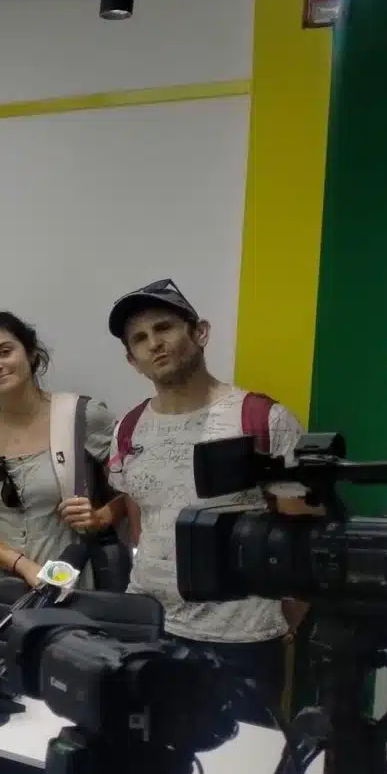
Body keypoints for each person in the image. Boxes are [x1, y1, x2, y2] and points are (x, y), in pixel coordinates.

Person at [104, 279, 304, 726]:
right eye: (140, 338)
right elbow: (141, 518)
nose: (154, 343)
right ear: (132, 359)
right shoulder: (128, 428)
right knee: (148, 754)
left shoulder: (260, 420)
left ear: (200, 332)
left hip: (239, 639)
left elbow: (302, 532)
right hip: (148, 630)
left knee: (241, 762)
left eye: (164, 327)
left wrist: (287, 621)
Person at [0, 311, 117, 648]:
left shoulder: (82, 415)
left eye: (5, 351)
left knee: (64, 671)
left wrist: (102, 516)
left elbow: (137, 491)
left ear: (30, 352)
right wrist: (22, 565)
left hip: (66, 581)